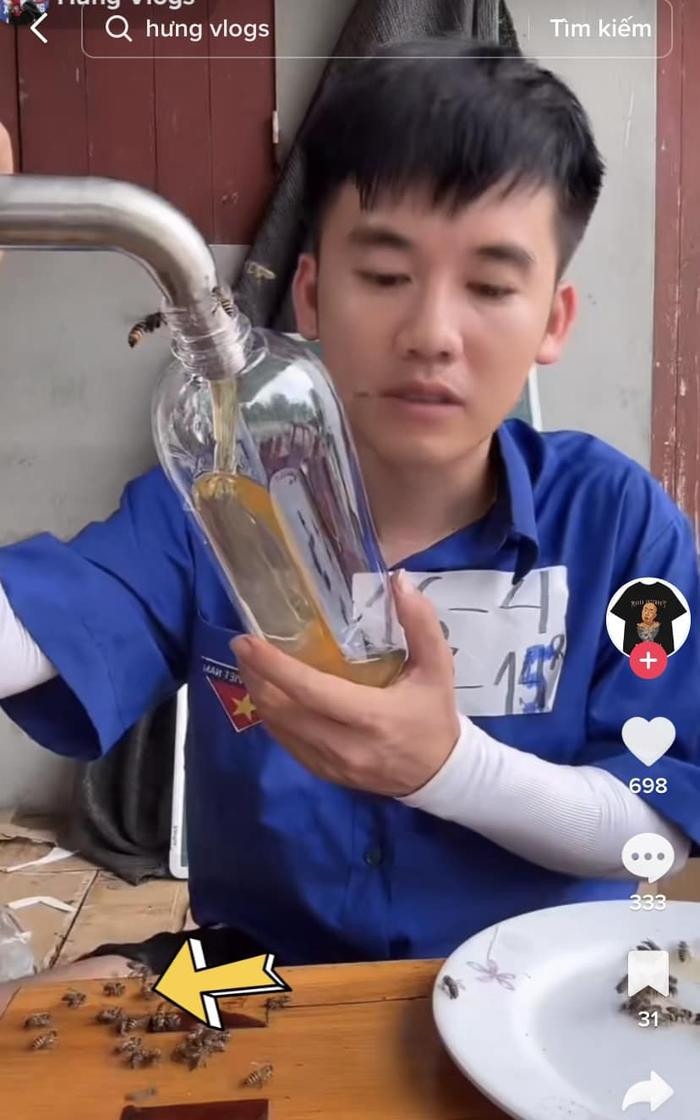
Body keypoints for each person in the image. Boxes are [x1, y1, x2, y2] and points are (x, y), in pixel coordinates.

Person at [1, 39, 699, 1009]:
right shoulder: (217, 504)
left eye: (491, 286)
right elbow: (29, 629)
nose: (432, 334)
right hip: (264, 968)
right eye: (384, 274)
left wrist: (450, 769)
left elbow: (661, 824)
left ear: (552, 318)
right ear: (313, 293)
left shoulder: (618, 524)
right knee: (58, 1019)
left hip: (543, 985)